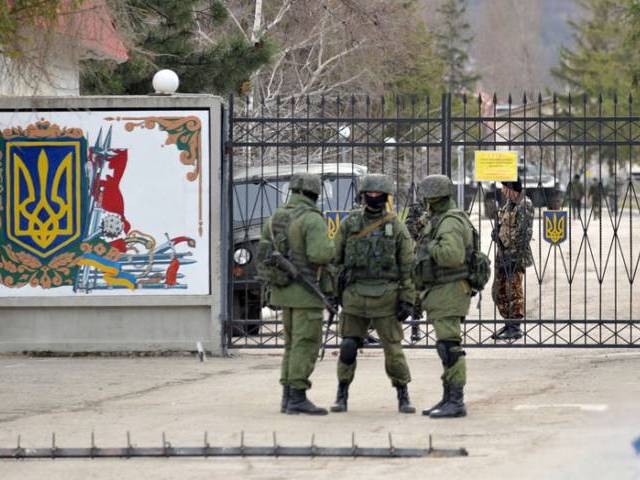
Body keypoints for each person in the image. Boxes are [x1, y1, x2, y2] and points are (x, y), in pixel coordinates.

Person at [330, 174, 416, 414]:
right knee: (348, 346)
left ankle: (403, 394)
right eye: (371, 193)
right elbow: (335, 260)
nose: (374, 197)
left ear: (386, 197)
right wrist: (332, 292)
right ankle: (342, 393)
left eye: (379, 194)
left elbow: (408, 266)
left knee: (394, 350)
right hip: (354, 295)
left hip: (386, 297)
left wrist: (408, 299)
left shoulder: (396, 225)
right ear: (363, 195)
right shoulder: (350, 224)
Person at [257, 173, 335, 415]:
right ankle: (298, 396)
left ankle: (287, 396)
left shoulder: (275, 217)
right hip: (306, 292)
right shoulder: (312, 219)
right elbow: (320, 254)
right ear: (314, 193)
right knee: (306, 343)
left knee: (292, 344)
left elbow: (264, 251)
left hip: (282, 292)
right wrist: (334, 246)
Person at [413, 175, 473, 418]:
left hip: (450, 290)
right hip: (442, 291)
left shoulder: (449, 222)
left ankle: (456, 401)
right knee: (445, 345)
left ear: (432, 197)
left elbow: (451, 255)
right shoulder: (441, 219)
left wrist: (429, 248)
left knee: (450, 347)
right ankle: (448, 396)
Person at [491, 178, 534, 341]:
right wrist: (497, 232)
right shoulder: (509, 204)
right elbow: (505, 224)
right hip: (503, 253)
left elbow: (524, 233)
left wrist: (512, 253)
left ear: (511, 188)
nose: (502, 191)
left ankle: (515, 326)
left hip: (515, 255)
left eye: (504, 187)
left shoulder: (525, 204)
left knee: (513, 290)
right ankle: (508, 322)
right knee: (499, 290)